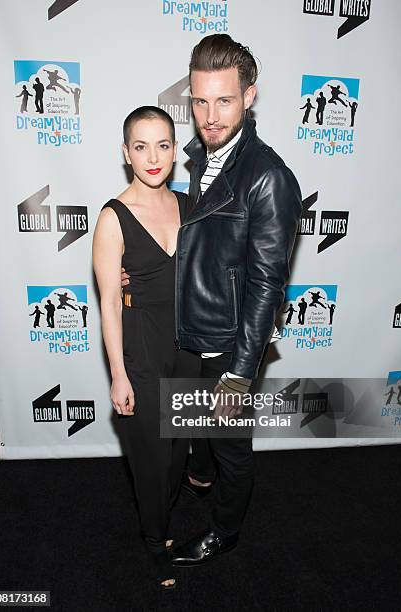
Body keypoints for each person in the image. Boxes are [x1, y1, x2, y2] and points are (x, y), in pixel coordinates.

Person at [122, 34, 302, 566]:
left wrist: (241, 374)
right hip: (192, 331)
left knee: (231, 446)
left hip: (230, 344)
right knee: (192, 432)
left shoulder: (268, 178)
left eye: (224, 100)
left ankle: (226, 532)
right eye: (200, 101)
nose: (210, 114)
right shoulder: (200, 157)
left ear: (249, 96)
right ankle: (197, 474)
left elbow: (268, 284)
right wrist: (149, 278)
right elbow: (196, 246)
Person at [93, 106, 199, 590]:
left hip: (187, 344)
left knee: (177, 451)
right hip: (141, 345)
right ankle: (155, 543)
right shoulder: (113, 218)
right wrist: (118, 372)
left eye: (162, 145)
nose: (153, 157)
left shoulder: (188, 204)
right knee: (153, 455)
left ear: (175, 151)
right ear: (125, 152)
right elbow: (110, 303)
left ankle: (164, 518)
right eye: (141, 146)